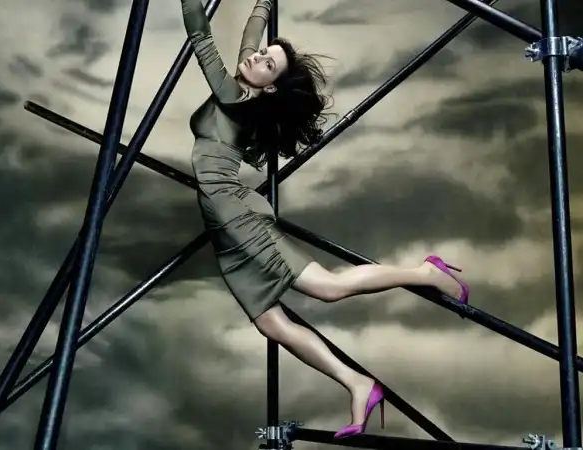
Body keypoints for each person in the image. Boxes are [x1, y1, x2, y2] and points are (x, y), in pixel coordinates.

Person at [180, 0, 470, 439]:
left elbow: (200, 35)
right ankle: (357, 383)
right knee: (271, 323)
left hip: (237, 218)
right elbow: (252, 33)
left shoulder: (235, 97)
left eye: (268, 64)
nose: (257, 57)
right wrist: (264, 3)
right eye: (262, 54)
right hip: (222, 225)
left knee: (327, 288)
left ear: (270, 88)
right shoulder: (245, 81)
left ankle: (426, 273)